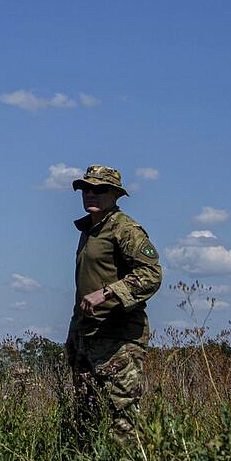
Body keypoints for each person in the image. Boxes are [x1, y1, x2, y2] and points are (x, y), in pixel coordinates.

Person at [65, 165, 162, 437]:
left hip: (118, 341)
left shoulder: (124, 228)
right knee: (87, 419)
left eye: (99, 189)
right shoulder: (90, 230)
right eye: (86, 189)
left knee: (123, 419)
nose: (90, 194)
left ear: (115, 194)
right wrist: (75, 335)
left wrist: (108, 292)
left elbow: (151, 274)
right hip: (89, 337)